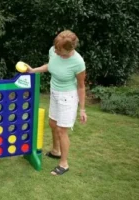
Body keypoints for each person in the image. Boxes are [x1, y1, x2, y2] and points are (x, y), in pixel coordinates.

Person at [27, 30, 87, 175]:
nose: (56, 52)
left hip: (68, 96)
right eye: (56, 48)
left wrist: (82, 109)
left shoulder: (78, 62)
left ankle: (64, 164)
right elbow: (51, 65)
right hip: (54, 92)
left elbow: (81, 86)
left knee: (61, 130)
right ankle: (56, 151)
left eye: (60, 50)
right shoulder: (54, 52)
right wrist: (34, 70)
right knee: (52, 124)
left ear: (70, 49)